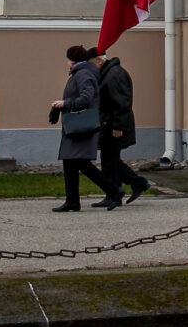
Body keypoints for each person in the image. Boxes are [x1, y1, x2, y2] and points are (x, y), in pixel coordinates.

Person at [50, 43, 110, 212]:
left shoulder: (82, 74)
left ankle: (113, 190)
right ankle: (72, 201)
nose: (67, 63)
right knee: (71, 162)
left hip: (81, 125)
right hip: (76, 125)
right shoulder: (81, 73)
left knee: (81, 163)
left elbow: (86, 98)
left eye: (68, 59)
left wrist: (65, 103)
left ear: (73, 60)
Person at [93, 49, 150, 208]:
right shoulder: (109, 73)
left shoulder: (114, 75)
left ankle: (117, 193)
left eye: (91, 63)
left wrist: (118, 126)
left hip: (114, 125)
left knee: (110, 160)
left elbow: (122, 102)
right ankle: (131, 186)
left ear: (99, 61)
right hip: (108, 123)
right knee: (110, 160)